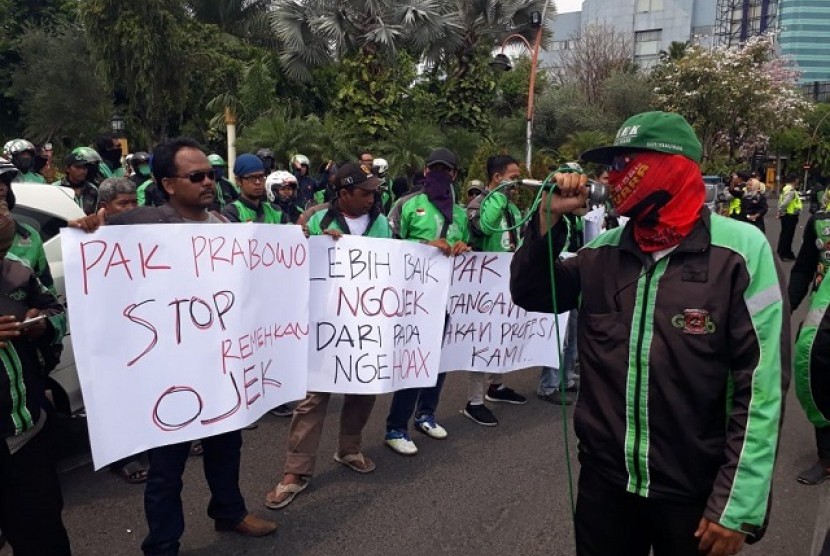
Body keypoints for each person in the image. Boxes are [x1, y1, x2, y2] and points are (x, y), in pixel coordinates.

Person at [510, 111, 788, 556]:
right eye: (609, 166)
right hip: (606, 487)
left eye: (624, 163)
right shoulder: (600, 253)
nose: (611, 177)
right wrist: (546, 220)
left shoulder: (741, 252)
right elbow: (532, 292)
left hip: (694, 494)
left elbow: (762, 387)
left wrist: (737, 505)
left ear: (672, 166)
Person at [70, 137, 277, 555]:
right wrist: (88, 230)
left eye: (212, 175)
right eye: (196, 176)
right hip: (167, 376)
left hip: (219, 366)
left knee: (227, 446)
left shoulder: (224, 226)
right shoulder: (139, 225)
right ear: (167, 184)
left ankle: (229, 512)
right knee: (167, 468)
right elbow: (98, 260)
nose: (208, 183)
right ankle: (163, 544)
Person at [264, 163, 391, 509]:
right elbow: (289, 260)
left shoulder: (381, 223)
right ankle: (295, 471)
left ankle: (349, 449)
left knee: (363, 389)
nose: (371, 198)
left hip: (366, 326)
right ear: (344, 193)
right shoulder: (316, 218)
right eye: (364, 192)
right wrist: (311, 242)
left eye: (374, 192)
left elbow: (394, 265)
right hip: (323, 325)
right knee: (313, 398)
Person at [384, 147, 470, 455]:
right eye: (434, 168)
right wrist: (424, 245)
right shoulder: (406, 204)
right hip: (413, 298)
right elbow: (387, 245)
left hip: (446, 297)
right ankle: (396, 427)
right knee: (414, 362)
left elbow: (467, 247)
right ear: (425, 172)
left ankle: (426, 415)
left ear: (454, 175)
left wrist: (462, 246)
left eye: (445, 170)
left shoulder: (459, 212)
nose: (439, 174)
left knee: (438, 361)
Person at [0, 200, 72, 556]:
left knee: (44, 538)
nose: (2, 216)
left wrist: (42, 323)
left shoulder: (17, 273)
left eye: (0, 204)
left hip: (28, 436)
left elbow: (57, 311)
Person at [461, 155, 527, 426]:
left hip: (507, 282)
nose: (517, 182)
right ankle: (474, 401)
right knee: (482, 340)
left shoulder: (513, 207)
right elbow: (485, 227)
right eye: (512, 176)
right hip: (484, 286)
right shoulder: (480, 203)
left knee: (503, 335)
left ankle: (496, 386)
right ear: (498, 177)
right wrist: (499, 197)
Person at [788, 188, 830, 485]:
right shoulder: (820, 223)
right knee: (817, 380)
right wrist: (785, 309)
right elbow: (802, 270)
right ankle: (827, 457)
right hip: (823, 321)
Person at [0, 158, 56, 295]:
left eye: (3, 182)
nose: (0, 187)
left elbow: (52, 302)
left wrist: (41, 313)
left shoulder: (30, 236)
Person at [222, 154, 282, 224]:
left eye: (261, 177)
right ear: (238, 181)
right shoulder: (232, 212)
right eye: (252, 178)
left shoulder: (275, 210)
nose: (258, 182)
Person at [777, 173, 802, 261]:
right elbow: (785, 203)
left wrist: (780, 212)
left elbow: (781, 201)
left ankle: (782, 251)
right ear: (794, 180)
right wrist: (781, 211)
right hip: (790, 215)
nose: (798, 181)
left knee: (784, 234)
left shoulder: (785, 189)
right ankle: (784, 253)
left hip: (786, 215)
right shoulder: (791, 190)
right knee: (788, 236)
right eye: (797, 179)